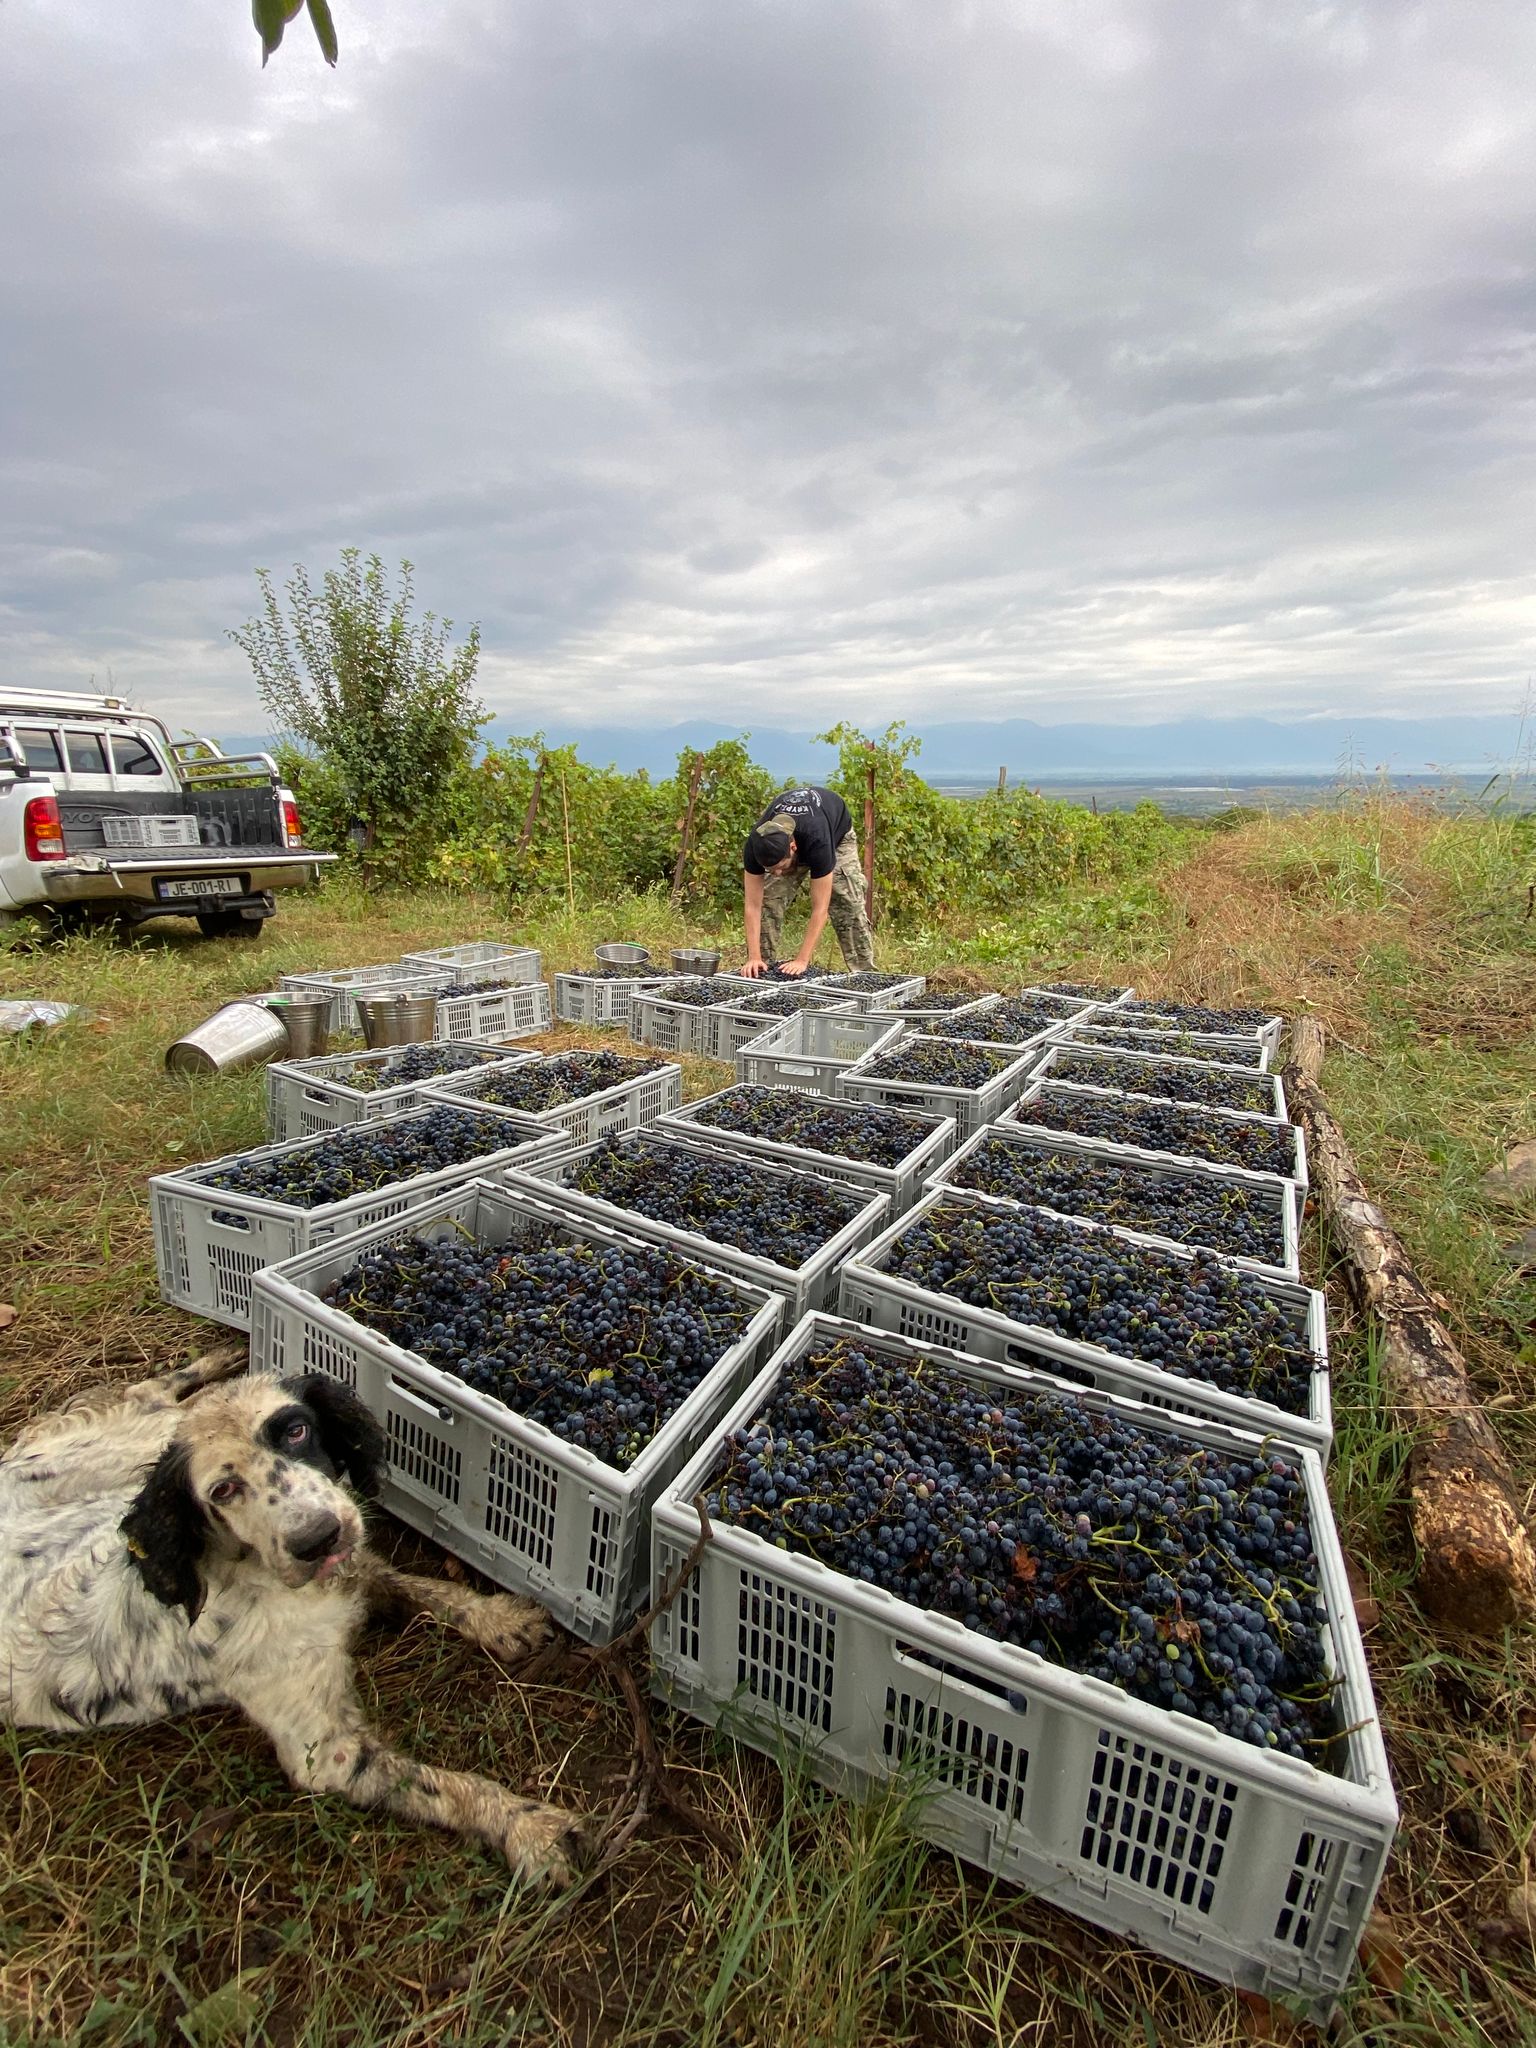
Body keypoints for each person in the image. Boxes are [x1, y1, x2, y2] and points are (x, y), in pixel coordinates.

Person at [740, 784, 876, 978]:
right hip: (791, 842)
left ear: (793, 847)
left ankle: (865, 974)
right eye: (771, 869)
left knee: (848, 904)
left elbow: (820, 908)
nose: (777, 873)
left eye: (780, 867)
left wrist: (802, 960)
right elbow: (753, 906)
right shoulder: (756, 845)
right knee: (768, 901)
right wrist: (753, 956)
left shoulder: (817, 840)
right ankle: (761, 968)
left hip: (836, 838)